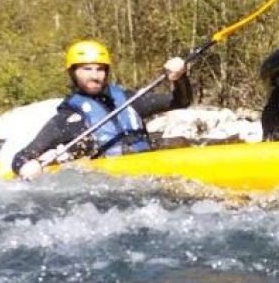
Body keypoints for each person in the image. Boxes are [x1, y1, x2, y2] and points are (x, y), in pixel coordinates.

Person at [13, 40, 192, 179]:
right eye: (87, 69)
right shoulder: (68, 119)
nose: (95, 75)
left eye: (100, 69)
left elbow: (181, 101)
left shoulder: (128, 101)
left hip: (148, 171)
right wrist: (26, 166)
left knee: (180, 142)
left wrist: (180, 78)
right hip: (110, 183)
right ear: (73, 73)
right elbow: (22, 156)